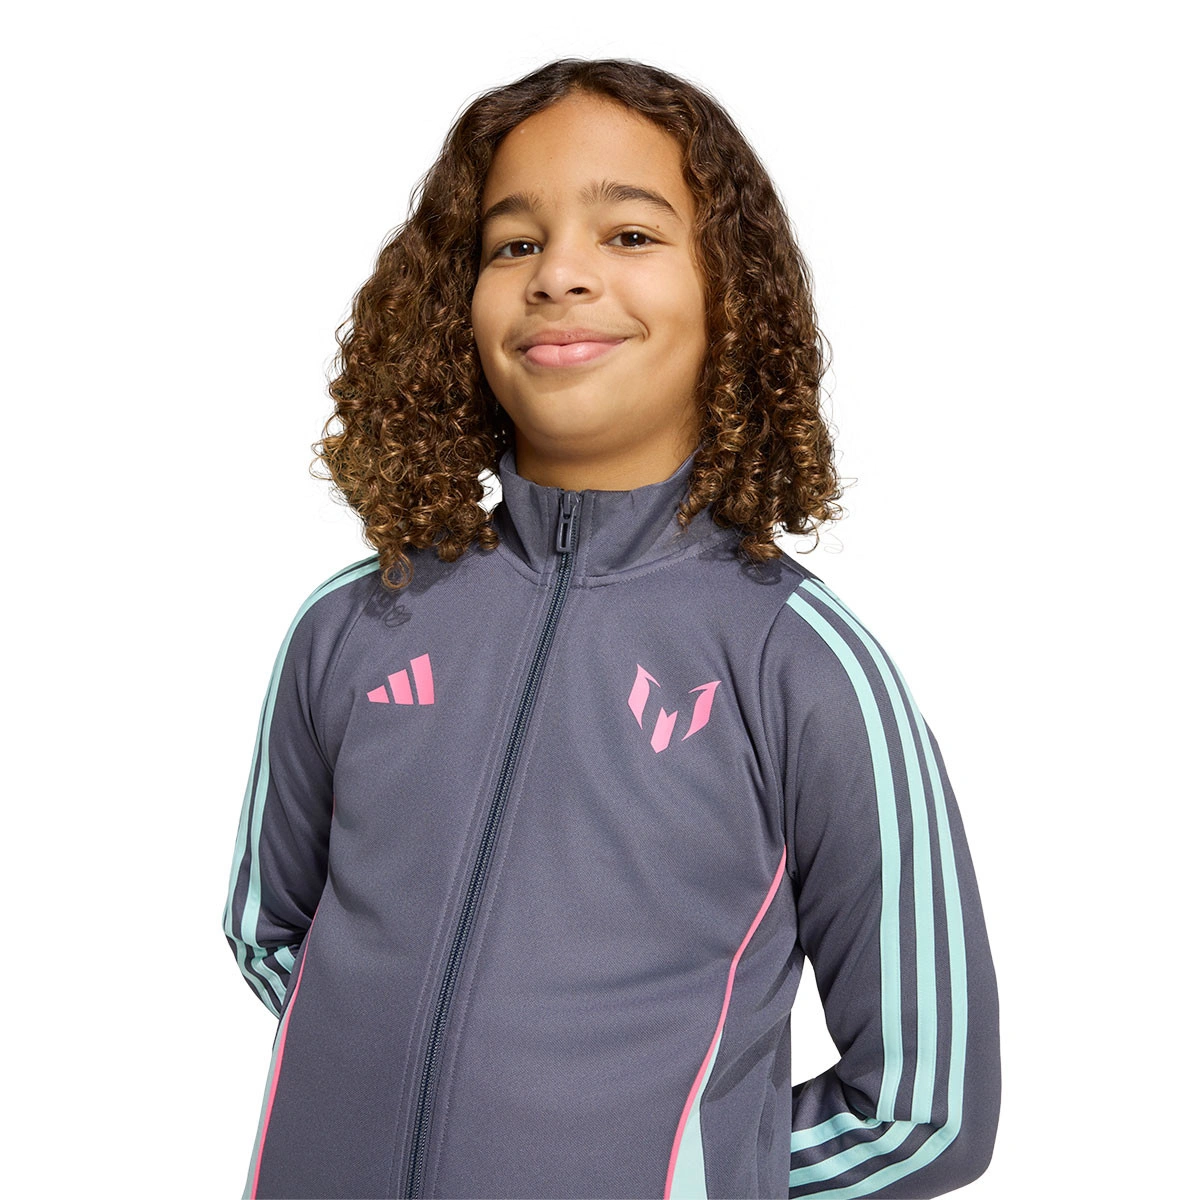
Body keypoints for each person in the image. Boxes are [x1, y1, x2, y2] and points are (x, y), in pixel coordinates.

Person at [222, 57, 1001, 1200]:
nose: (560, 275)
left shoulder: (799, 665)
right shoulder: (355, 624)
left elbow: (927, 1110)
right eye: (513, 244)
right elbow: (271, 929)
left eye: (629, 235)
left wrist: (680, 1161)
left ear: (730, 296)